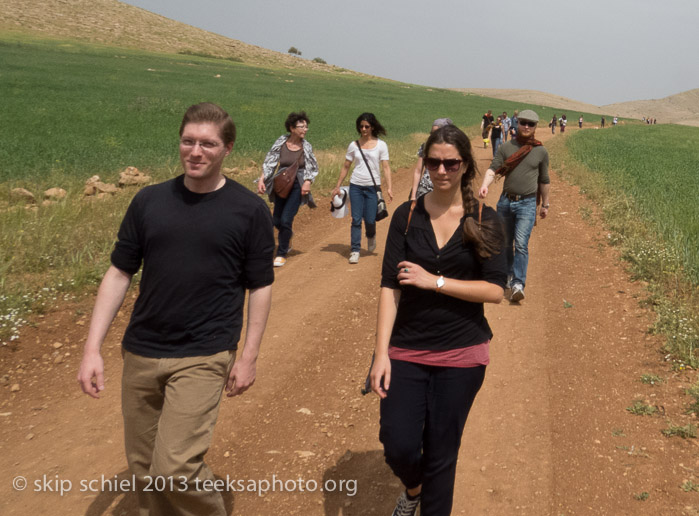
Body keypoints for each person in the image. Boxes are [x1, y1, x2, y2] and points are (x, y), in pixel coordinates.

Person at [77, 102, 275, 516]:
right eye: (188, 141)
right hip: (142, 349)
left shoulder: (249, 210)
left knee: (175, 469)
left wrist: (249, 357)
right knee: (145, 470)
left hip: (204, 352)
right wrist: (91, 348)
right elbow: (118, 273)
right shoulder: (149, 201)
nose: (196, 151)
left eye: (208, 143)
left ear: (228, 148)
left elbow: (260, 287)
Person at [371, 124, 506, 516]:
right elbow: (388, 286)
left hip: (462, 354)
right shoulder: (407, 215)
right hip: (407, 349)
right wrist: (381, 354)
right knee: (397, 443)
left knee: (443, 454)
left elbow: (496, 290)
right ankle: (413, 489)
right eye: (434, 162)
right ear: (425, 164)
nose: (442, 170)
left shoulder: (484, 218)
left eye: (451, 163)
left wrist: (436, 282)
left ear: (465, 166)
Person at [478, 109, 550, 302]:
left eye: (531, 124)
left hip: (527, 203)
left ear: (535, 127)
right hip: (505, 201)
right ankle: (508, 276)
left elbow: (544, 180)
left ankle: (518, 283)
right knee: (505, 243)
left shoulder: (540, 151)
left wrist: (545, 204)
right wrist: (485, 186)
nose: (526, 126)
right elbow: (494, 168)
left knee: (521, 244)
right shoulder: (505, 147)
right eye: (523, 122)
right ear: (517, 123)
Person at [258, 111, 319, 267]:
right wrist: (262, 178)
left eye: (306, 126)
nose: (305, 129)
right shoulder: (281, 141)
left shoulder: (306, 146)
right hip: (282, 182)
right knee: (276, 219)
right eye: (302, 126)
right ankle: (288, 235)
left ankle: (282, 253)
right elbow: (270, 160)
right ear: (292, 128)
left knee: (286, 219)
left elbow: (312, 166)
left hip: (298, 184)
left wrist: (308, 181)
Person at [331, 113, 393, 264]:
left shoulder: (381, 145)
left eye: (366, 126)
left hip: (372, 187)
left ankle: (371, 235)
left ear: (372, 127)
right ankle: (355, 250)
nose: (364, 129)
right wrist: (338, 185)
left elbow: (386, 168)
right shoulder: (354, 145)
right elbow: (346, 166)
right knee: (356, 219)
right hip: (356, 186)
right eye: (361, 126)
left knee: (370, 219)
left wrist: (389, 188)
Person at [410, 118, 453, 200]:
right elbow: (418, 171)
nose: (433, 136)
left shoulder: (452, 149)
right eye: (432, 133)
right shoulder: (426, 146)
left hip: (443, 192)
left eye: (436, 133)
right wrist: (413, 196)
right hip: (424, 191)